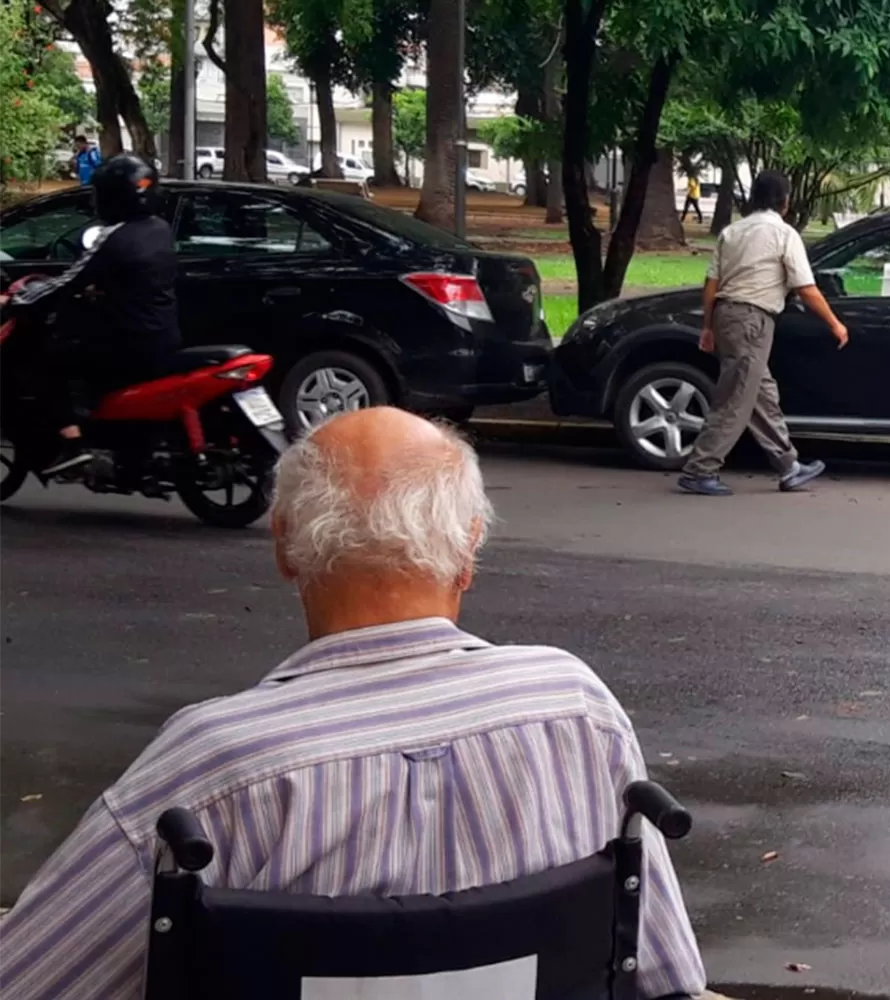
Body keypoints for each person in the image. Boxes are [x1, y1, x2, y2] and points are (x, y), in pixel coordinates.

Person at [0, 407, 706, 1000]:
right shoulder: (575, 709)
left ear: (284, 548)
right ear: (468, 551)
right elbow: (666, 973)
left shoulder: (215, 767)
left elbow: (29, 977)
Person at [5, 153, 181, 478]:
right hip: (163, 338)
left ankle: (72, 441)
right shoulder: (160, 230)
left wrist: (17, 299)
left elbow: (69, 280)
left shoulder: (115, 239)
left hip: (127, 344)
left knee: (45, 363)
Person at [678, 170, 847, 497]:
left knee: (760, 392)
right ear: (785, 202)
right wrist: (834, 323)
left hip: (728, 316)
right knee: (737, 396)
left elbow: (711, 284)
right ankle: (700, 468)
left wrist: (708, 327)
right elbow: (806, 288)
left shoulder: (732, 232)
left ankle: (788, 465)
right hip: (753, 318)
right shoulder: (784, 234)